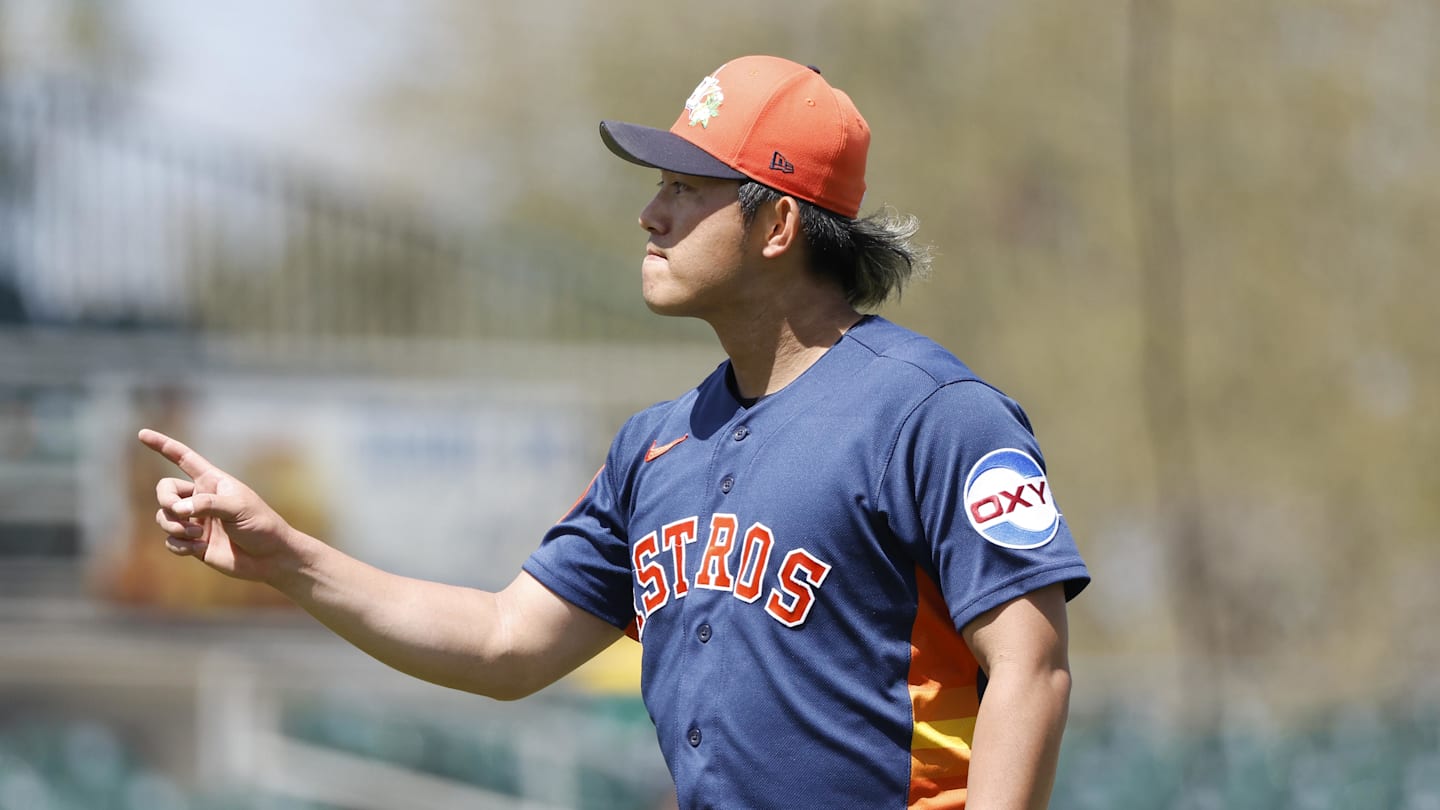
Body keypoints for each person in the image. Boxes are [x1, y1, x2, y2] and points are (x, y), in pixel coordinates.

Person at [141, 54, 1089, 809]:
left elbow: (1032, 667)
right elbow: (506, 642)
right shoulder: (654, 447)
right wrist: (288, 558)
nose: (651, 213)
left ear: (777, 226)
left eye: (686, 187)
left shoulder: (931, 414)